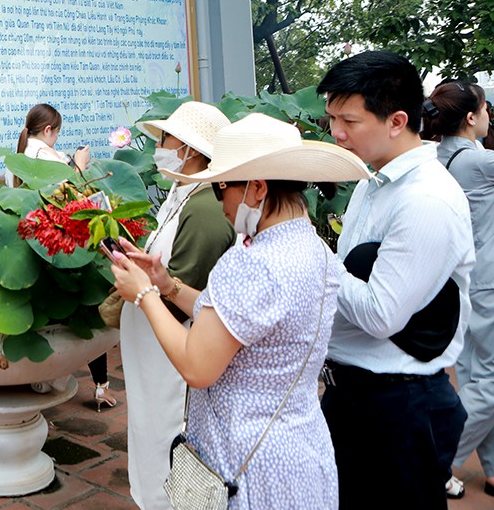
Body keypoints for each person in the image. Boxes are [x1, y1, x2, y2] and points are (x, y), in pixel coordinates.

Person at [110, 112, 369, 508]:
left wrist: (144, 294)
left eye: (221, 189)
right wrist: (168, 285)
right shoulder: (313, 248)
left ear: (256, 188)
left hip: (243, 461)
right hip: (299, 449)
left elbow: (197, 367)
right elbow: (235, 319)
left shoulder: (251, 262)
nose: (221, 204)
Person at [317, 51, 474, 509]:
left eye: (348, 120)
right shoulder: (370, 183)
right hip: (354, 395)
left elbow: (380, 313)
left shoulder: (426, 199)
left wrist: (312, 256)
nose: (337, 134)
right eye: (331, 119)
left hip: (399, 408)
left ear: (397, 120)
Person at [120, 101, 235, 510]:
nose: (160, 146)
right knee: (150, 435)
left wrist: (137, 289)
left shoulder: (205, 209)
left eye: (167, 139)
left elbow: (186, 298)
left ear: (190, 149)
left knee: (170, 441)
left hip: (174, 353)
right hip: (151, 350)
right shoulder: (181, 194)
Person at [7, 104, 114, 406]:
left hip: (34, 239)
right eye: (58, 132)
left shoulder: (19, 156)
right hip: (58, 240)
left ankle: (55, 379)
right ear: (50, 130)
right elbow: (73, 196)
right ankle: (88, 383)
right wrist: (79, 164)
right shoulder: (43, 157)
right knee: (87, 303)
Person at [422, 80, 494, 499]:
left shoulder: (437, 156)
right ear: (471, 117)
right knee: (488, 381)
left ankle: (492, 470)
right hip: (487, 281)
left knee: (474, 377)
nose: (489, 117)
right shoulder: (478, 163)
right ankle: (440, 461)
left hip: (459, 282)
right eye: (486, 109)